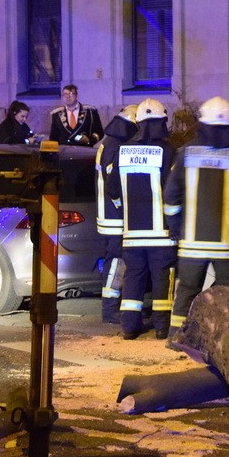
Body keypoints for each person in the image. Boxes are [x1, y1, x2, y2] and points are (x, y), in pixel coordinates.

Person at [163, 97, 229, 344]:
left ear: (201, 124)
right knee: (228, 296)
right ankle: (224, 341)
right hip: (228, 245)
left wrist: (175, 227)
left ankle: (177, 338)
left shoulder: (187, 153)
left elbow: (171, 195)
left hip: (192, 243)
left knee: (187, 291)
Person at [108, 98, 177, 340]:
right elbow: (172, 192)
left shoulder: (122, 150)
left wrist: (124, 212)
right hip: (161, 234)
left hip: (132, 234)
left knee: (133, 278)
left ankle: (129, 326)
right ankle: (161, 327)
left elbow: (113, 189)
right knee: (161, 278)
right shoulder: (167, 151)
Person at [94, 104, 139, 325]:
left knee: (117, 259)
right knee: (116, 260)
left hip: (109, 215)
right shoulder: (115, 146)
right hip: (115, 216)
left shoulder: (107, 143)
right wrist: (123, 207)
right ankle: (109, 309)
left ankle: (112, 306)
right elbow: (113, 185)